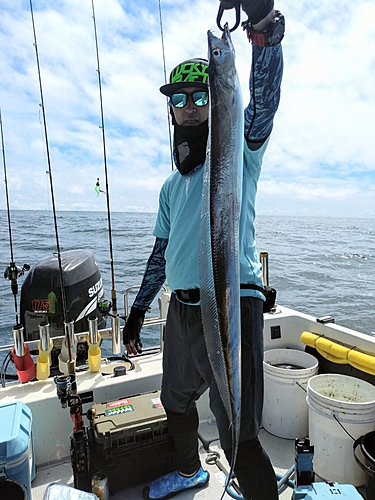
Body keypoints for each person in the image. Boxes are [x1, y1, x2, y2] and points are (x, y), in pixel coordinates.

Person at [123, 2, 284, 499]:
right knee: (174, 399)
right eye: (181, 97)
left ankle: (256, 486)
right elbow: (160, 253)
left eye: (201, 94)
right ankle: (192, 470)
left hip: (235, 300)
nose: (191, 105)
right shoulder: (171, 187)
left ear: (218, 100)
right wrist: (136, 311)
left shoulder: (237, 152)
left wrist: (261, 32)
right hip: (184, 312)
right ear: (171, 108)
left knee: (241, 427)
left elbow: (262, 104)